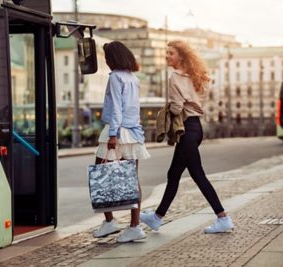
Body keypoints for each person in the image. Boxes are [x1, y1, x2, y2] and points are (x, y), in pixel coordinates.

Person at [140, 40, 234, 234]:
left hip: (186, 129)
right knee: (173, 174)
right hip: (195, 128)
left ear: (181, 57)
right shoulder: (199, 77)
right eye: (166, 53)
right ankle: (157, 218)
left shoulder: (175, 77)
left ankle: (223, 217)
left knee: (198, 175)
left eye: (171, 53)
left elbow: (176, 107)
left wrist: (166, 111)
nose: (167, 56)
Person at [92, 41, 151, 243]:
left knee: (100, 174)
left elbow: (117, 107)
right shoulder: (133, 78)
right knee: (133, 179)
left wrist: (113, 135)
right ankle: (134, 226)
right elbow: (133, 108)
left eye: (108, 59)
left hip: (117, 132)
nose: (107, 63)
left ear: (114, 59)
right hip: (133, 133)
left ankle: (110, 221)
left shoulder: (116, 77)